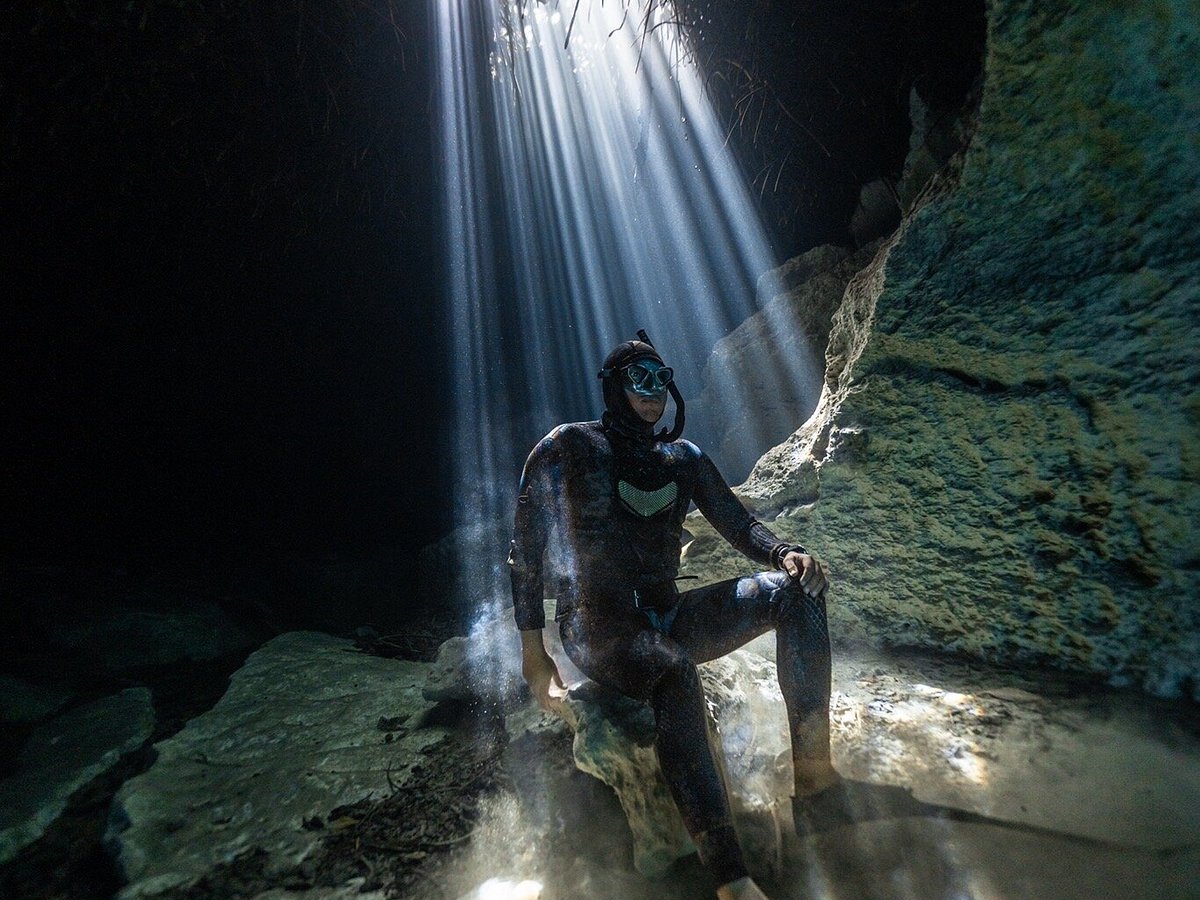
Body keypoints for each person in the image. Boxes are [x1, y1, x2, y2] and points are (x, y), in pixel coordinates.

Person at [508, 333, 837, 900]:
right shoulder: (567, 448)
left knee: (795, 594)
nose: (653, 392)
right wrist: (535, 658)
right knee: (674, 671)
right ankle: (730, 876)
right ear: (614, 387)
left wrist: (785, 553)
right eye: (639, 380)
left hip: (667, 612)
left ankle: (814, 778)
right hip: (597, 627)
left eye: (661, 379)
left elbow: (739, 525)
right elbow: (525, 554)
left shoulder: (682, 459)